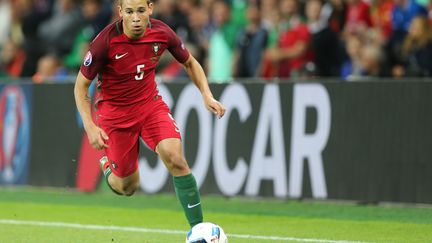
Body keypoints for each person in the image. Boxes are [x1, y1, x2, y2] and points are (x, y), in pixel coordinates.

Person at [73, 0, 225, 228]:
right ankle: (107, 166)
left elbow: (190, 62)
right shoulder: (105, 42)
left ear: (151, 9)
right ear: (120, 12)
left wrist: (207, 94)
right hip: (116, 116)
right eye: (130, 12)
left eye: (141, 11)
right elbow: (81, 87)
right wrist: (90, 126)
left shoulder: (162, 32)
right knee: (127, 187)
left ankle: (199, 229)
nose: (136, 18)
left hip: (149, 106)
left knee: (175, 158)